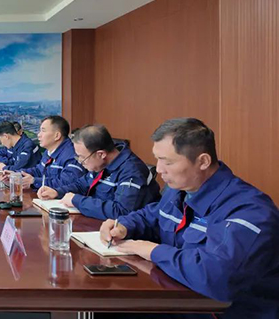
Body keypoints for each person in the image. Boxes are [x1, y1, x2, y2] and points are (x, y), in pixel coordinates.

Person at [99, 118, 279, 318]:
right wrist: (123, 226)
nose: (159, 169)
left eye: (168, 162)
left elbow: (217, 275)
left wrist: (152, 251)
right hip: (179, 300)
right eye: (157, 159)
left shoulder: (249, 210)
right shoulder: (179, 190)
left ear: (203, 161)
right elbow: (153, 215)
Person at [39, 124, 159, 220]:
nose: (80, 162)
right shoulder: (100, 164)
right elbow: (81, 185)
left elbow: (121, 211)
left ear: (101, 154)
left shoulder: (132, 171)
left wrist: (77, 200)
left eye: (82, 157)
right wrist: (57, 192)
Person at [9, 115, 86, 189]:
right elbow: (39, 171)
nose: (39, 135)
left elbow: (68, 183)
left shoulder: (72, 155)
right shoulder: (49, 151)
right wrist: (16, 174)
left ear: (57, 136)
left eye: (43, 131)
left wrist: (34, 181)